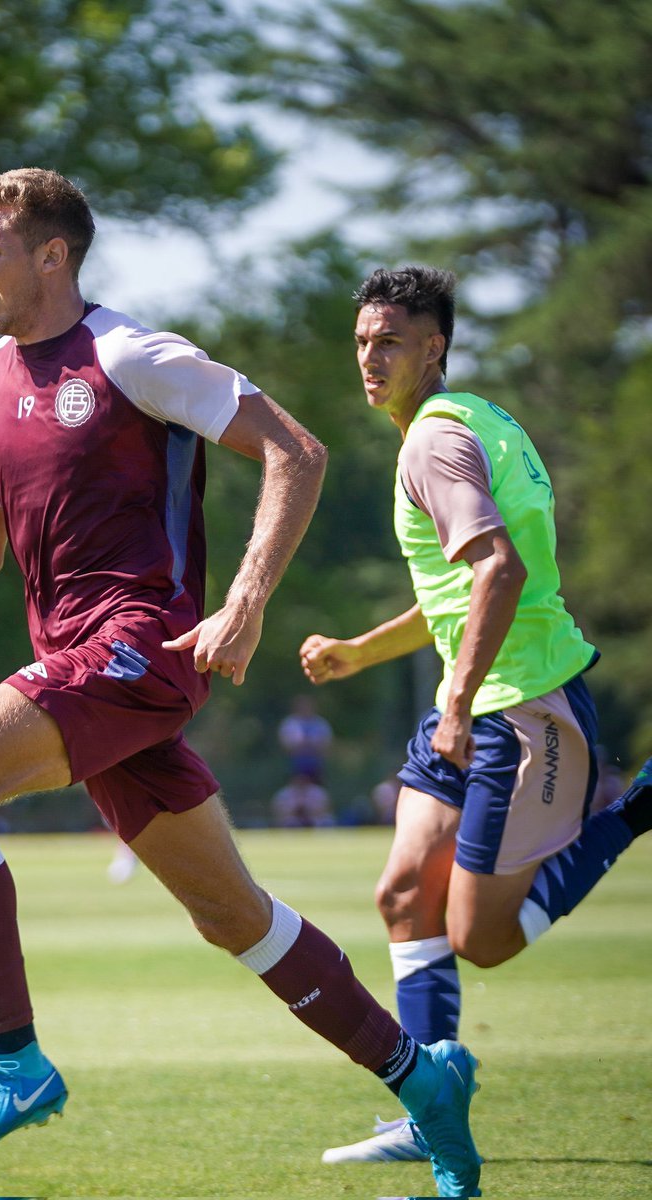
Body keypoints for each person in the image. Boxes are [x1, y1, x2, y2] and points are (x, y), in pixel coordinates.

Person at [0, 173, 481, 1196]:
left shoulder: (131, 354)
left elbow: (296, 452)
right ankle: (423, 1082)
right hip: (86, 671)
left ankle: (13, 1061)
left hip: (140, 651)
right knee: (235, 917)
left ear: (53, 255)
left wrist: (246, 600)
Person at [300, 265, 651, 1167]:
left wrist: (452, 700)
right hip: (480, 697)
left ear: (435, 347)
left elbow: (499, 571)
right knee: (404, 895)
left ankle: (640, 806)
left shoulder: (432, 444)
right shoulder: (477, 423)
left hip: (521, 706)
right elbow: (458, 589)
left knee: (482, 940)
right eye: (362, 343)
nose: (370, 360)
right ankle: (430, 1109)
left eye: (390, 343)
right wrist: (360, 652)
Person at [278, 694, 333, 782]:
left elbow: (326, 745)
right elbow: (285, 745)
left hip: (316, 764)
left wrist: (310, 746)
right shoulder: (289, 723)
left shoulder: (320, 723)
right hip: (294, 764)